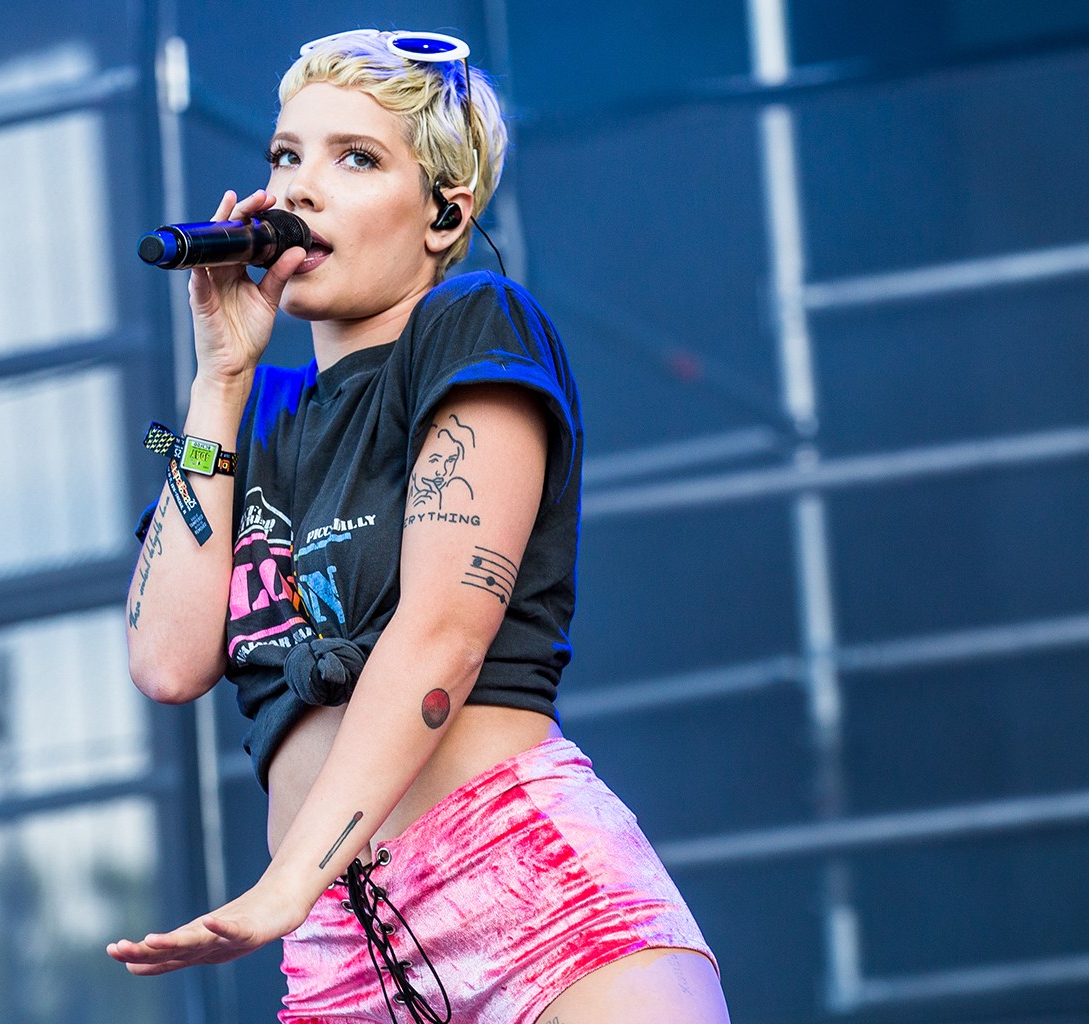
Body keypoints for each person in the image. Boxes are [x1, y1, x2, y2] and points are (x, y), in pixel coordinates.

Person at [108, 28, 729, 1024]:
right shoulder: (250, 421)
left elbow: (444, 633)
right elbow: (167, 661)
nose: (301, 189)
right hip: (339, 953)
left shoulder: (473, 324)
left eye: (355, 159)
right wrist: (218, 383)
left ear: (446, 212)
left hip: (531, 897)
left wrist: (286, 882)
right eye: (286, 155)